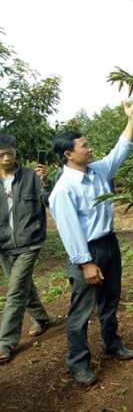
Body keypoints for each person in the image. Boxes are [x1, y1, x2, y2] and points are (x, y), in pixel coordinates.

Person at [49, 97, 133, 386]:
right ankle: (78, 362)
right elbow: (70, 230)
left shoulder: (98, 170)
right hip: (85, 253)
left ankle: (111, 344)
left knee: (110, 300)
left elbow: (120, 150)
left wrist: (131, 118)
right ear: (68, 154)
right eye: (84, 146)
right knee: (82, 310)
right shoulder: (64, 189)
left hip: (109, 244)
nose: (90, 149)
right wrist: (86, 263)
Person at [0, 134, 53, 364]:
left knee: (15, 290)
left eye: (9, 153)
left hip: (30, 241)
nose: (5, 158)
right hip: (3, 244)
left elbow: (49, 201)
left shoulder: (32, 175)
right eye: (0, 155)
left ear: (15, 152)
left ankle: (5, 341)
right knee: (22, 285)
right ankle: (41, 318)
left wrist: (45, 183)